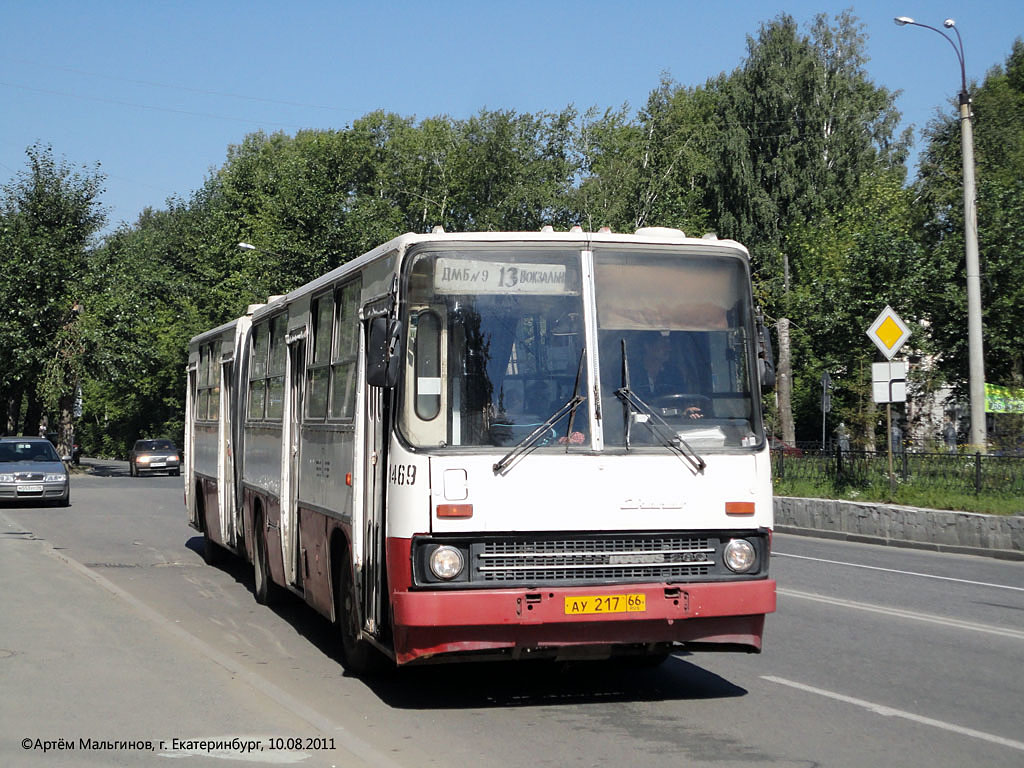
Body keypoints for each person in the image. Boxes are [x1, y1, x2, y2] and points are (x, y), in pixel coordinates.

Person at [636, 334, 702, 419]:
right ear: (647, 346)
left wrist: (687, 410)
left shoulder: (673, 373)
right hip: (639, 426)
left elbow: (682, 401)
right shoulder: (633, 373)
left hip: (670, 425)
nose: (668, 349)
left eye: (668, 345)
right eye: (663, 345)